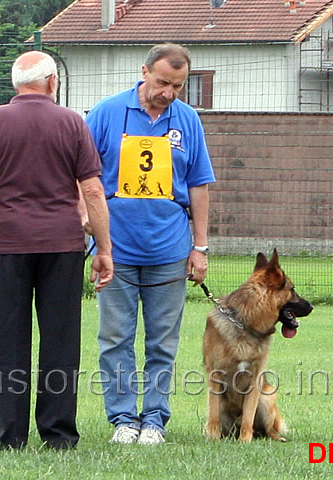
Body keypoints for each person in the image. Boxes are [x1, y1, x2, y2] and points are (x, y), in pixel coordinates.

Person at [0, 50, 113, 450]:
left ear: (16, 83)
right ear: (52, 83)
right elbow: (93, 191)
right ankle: (59, 434)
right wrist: (104, 249)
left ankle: (8, 436)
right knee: (61, 340)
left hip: (7, 245)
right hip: (62, 245)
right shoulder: (71, 122)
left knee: (7, 342)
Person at [85, 43, 216, 445]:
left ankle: (154, 419)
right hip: (115, 249)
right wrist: (87, 225)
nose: (169, 92)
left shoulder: (188, 120)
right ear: (144, 73)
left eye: (177, 85)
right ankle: (123, 419)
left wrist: (201, 247)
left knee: (163, 340)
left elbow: (198, 185)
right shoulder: (106, 113)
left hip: (170, 250)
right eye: (162, 82)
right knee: (115, 337)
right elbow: (83, 175)